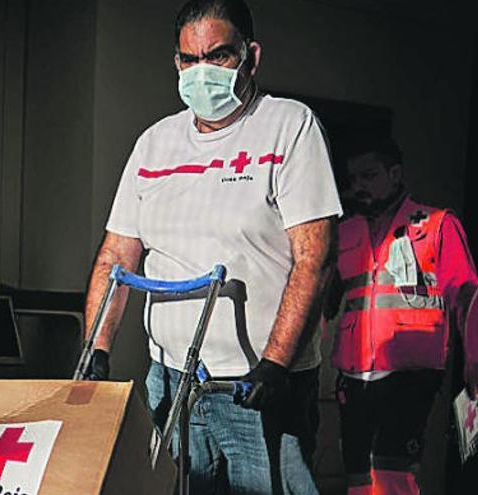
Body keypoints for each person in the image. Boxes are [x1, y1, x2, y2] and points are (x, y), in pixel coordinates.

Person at [81, 1, 341, 493]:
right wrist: (97, 346)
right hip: (172, 378)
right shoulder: (155, 144)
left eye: (218, 56)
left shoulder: (289, 127)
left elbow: (315, 258)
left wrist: (277, 361)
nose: (201, 72)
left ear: (251, 57)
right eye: (188, 59)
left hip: (256, 384)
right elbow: (117, 256)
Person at [325, 138, 478, 495]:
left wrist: (476, 358)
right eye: (353, 179)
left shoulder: (437, 225)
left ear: (395, 175)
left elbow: (467, 297)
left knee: (391, 473)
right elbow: (325, 303)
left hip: (410, 373)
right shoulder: (343, 233)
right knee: (359, 478)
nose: (359, 186)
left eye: (369, 175)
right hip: (354, 375)